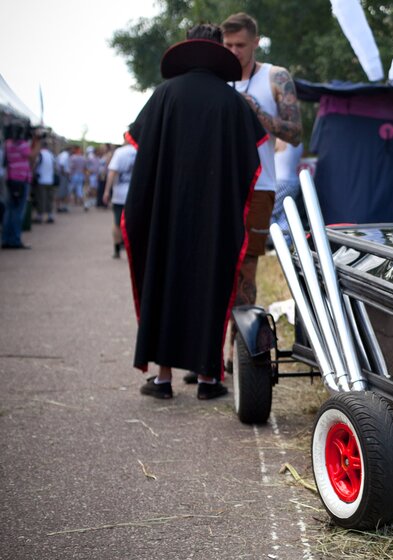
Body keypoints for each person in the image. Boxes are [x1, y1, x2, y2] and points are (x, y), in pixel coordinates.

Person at [122, 23, 267, 400]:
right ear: (218, 50)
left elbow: (142, 158)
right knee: (210, 286)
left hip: (165, 218)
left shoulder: (163, 95)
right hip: (214, 220)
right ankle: (207, 379)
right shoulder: (231, 102)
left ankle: (164, 379)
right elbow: (251, 166)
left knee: (164, 284)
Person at [179, 13, 301, 383]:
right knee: (204, 269)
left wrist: (257, 112)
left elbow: (295, 134)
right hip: (213, 190)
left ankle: (239, 356)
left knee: (245, 270)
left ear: (255, 43)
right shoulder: (211, 78)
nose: (232, 52)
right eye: (227, 46)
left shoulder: (275, 76)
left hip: (259, 187)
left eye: (239, 46)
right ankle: (205, 359)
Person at [2, 124, 35, 249]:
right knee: (18, 211)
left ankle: (6, 239)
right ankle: (15, 239)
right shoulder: (22, 144)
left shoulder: (8, 144)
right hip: (21, 180)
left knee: (9, 210)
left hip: (10, 179)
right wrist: (36, 142)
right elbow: (32, 156)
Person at [103, 133, 135, 259]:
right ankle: (132, 249)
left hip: (119, 194)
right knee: (134, 223)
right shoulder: (140, 150)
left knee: (117, 223)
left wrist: (107, 191)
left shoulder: (120, 152)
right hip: (135, 195)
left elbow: (112, 172)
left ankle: (117, 249)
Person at [32, 136, 56, 224]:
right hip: (50, 180)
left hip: (41, 180)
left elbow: (34, 165)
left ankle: (40, 216)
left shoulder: (39, 154)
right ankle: (49, 215)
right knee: (49, 199)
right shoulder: (51, 155)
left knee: (40, 199)